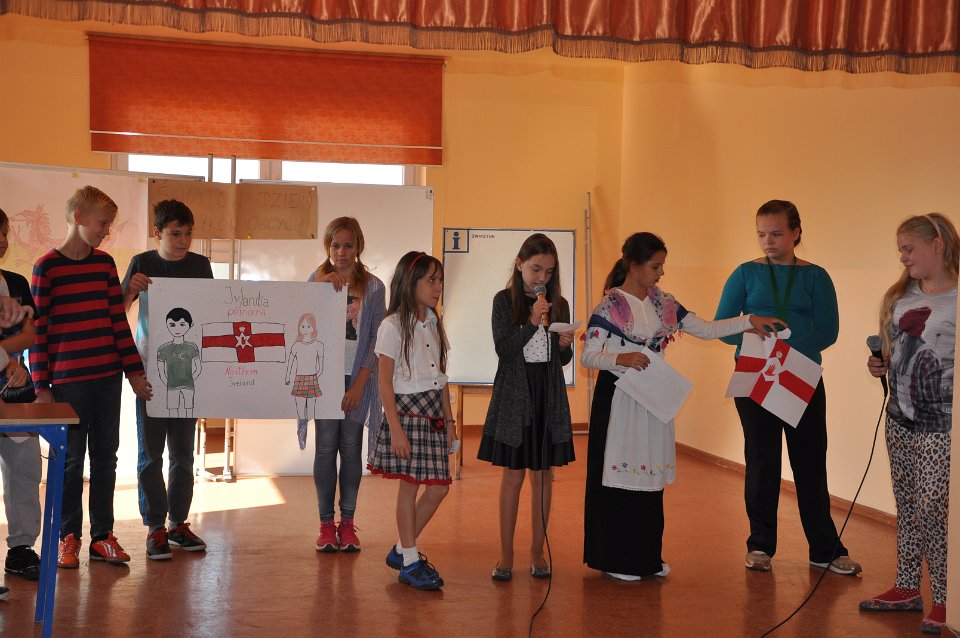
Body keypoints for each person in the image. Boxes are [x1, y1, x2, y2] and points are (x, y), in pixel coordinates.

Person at [582, 232, 782, 580]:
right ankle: (617, 560)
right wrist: (621, 358)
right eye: (656, 266)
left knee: (649, 476)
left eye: (662, 266)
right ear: (634, 266)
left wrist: (749, 320)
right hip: (620, 399)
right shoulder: (609, 307)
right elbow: (588, 356)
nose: (661, 273)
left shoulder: (664, 304)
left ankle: (648, 557)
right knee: (620, 477)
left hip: (651, 395)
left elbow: (706, 329)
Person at [714, 199, 861, 576]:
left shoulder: (816, 276)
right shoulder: (745, 273)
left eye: (777, 234)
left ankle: (825, 550)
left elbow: (828, 330)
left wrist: (786, 351)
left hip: (800, 376)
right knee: (762, 461)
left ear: (796, 233)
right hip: (755, 377)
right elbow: (723, 327)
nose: (768, 241)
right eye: (762, 234)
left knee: (810, 462)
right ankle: (760, 546)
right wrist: (755, 333)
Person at [31, 185, 152, 568]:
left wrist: (134, 372)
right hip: (68, 383)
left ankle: (102, 537)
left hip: (107, 378)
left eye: (109, 225)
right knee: (69, 461)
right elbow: (38, 332)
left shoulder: (105, 265)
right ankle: (67, 537)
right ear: (78, 217)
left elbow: (117, 322)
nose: (106, 231)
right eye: (103, 223)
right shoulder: (46, 268)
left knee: (105, 458)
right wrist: (42, 387)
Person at [859, 213, 958, 635]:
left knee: (934, 508)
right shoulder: (901, 295)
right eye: (900, 249)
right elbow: (893, 350)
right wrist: (879, 365)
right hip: (899, 418)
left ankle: (946, 598)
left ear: (937, 244)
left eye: (908, 248)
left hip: (941, 423)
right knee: (908, 504)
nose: (902, 257)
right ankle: (906, 587)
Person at [477, 233, 575, 581]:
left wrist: (564, 345)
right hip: (515, 394)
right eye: (536, 269)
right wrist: (532, 320)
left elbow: (562, 360)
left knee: (544, 475)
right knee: (514, 475)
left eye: (549, 272)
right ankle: (506, 553)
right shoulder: (504, 301)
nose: (542, 278)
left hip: (548, 394)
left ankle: (537, 551)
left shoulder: (558, 303)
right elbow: (504, 349)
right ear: (519, 264)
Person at [122, 198, 212, 560]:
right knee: (150, 454)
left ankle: (177, 523)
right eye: (176, 234)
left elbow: (210, 312)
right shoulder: (142, 262)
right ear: (157, 232)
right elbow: (117, 310)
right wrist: (131, 289)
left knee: (182, 453)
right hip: (151, 371)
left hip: (186, 371)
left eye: (188, 234)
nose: (183, 241)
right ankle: (155, 527)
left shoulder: (200, 265)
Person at [368, 251, 456, 590]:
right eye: (431, 280)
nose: (437, 287)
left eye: (440, 281)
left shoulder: (433, 320)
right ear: (410, 282)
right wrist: (395, 429)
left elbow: (440, 377)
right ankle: (409, 561)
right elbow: (384, 382)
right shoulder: (391, 326)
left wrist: (449, 422)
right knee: (410, 486)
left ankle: (402, 550)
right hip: (406, 413)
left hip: (432, 413)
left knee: (439, 488)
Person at [297, 217, 385, 553]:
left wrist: (359, 384)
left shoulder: (374, 287)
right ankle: (325, 525)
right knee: (324, 448)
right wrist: (320, 289)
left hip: (356, 379)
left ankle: (347, 524)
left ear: (358, 247)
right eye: (335, 245)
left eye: (348, 245)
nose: (341, 252)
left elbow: (377, 339)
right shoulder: (316, 279)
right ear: (328, 247)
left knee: (350, 448)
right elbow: (301, 322)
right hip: (323, 378)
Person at [0, 206, 42, 595]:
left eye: (5, 233)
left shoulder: (15, 282)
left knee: (25, 471)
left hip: (17, 394)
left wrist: (11, 358)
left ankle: (21, 550)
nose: (2, 240)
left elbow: (30, 335)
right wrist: (6, 357)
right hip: (10, 374)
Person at [286, 312, 324, 421]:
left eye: (309, 326)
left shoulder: (319, 345)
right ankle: (302, 427)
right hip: (300, 379)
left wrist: (316, 376)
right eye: (303, 326)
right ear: (299, 328)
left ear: (313, 327)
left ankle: (308, 427)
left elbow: (321, 367)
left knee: (311, 409)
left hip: (312, 378)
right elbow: (290, 363)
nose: (306, 329)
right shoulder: (296, 345)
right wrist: (287, 377)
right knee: (300, 408)